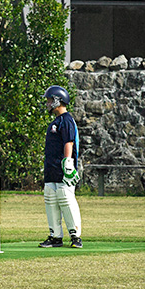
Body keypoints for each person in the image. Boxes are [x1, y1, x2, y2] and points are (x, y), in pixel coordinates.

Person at [40, 85, 82, 248]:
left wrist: (68, 162)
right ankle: (55, 236)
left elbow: (69, 142)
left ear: (58, 100)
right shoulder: (55, 121)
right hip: (51, 168)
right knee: (50, 199)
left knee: (65, 198)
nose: (48, 103)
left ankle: (75, 236)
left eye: (50, 100)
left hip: (63, 168)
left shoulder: (66, 120)